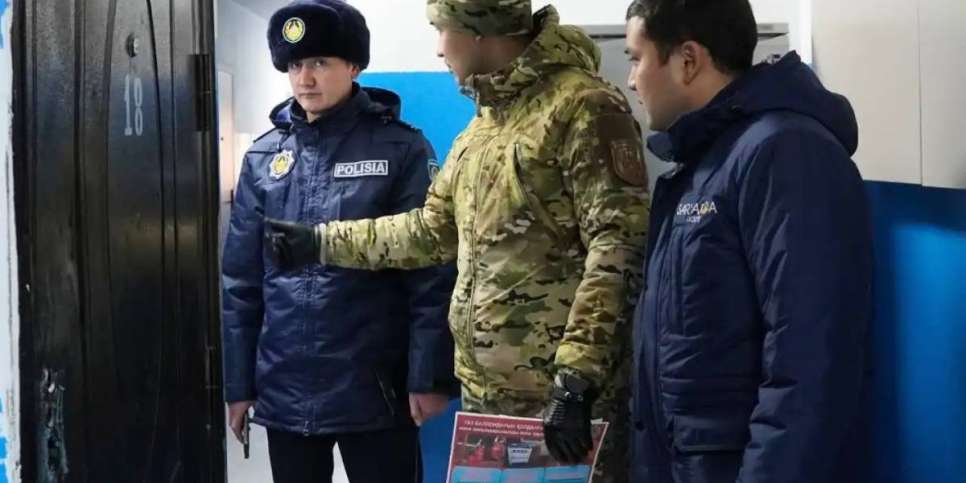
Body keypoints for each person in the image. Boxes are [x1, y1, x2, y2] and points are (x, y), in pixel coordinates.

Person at [265, 1, 651, 481]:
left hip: (559, 403)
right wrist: (320, 242)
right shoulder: (483, 127)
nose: (439, 48)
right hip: (488, 403)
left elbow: (618, 247)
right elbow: (431, 230)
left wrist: (576, 379)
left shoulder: (583, 107)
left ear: (477, 32)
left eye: (442, 30)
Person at [623, 1, 874, 482]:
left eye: (637, 58)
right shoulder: (704, 163)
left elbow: (808, 359)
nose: (632, 80)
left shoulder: (785, 153)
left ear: (688, 60)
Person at [221, 1, 458, 482]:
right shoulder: (263, 157)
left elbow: (432, 272)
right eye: (295, 65)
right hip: (285, 389)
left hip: (376, 388)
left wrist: (429, 376)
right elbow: (241, 283)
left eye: (319, 62)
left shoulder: (401, 148)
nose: (305, 78)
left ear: (353, 66)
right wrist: (238, 386)